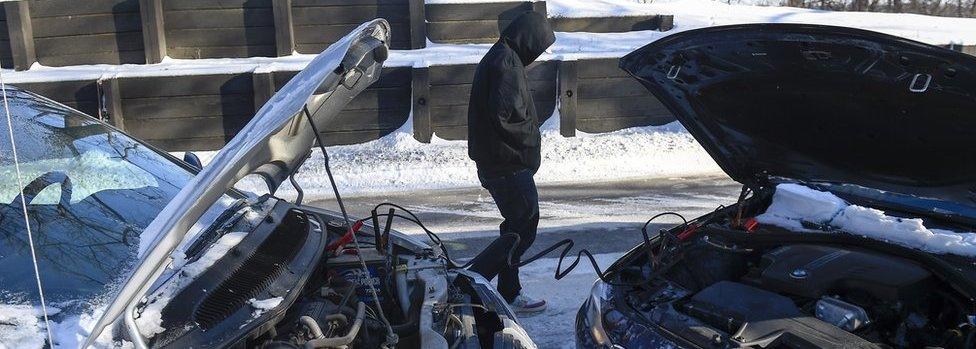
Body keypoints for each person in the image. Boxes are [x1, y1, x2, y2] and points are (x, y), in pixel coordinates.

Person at [465, 10, 555, 315]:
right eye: (539, 46)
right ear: (528, 38)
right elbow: (506, 117)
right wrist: (531, 140)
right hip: (507, 165)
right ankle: (472, 284)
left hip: (501, 163)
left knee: (516, 227)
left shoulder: (503, 57)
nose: (538, 53)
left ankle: (507, 290)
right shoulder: (505, 63)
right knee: (522, 228)